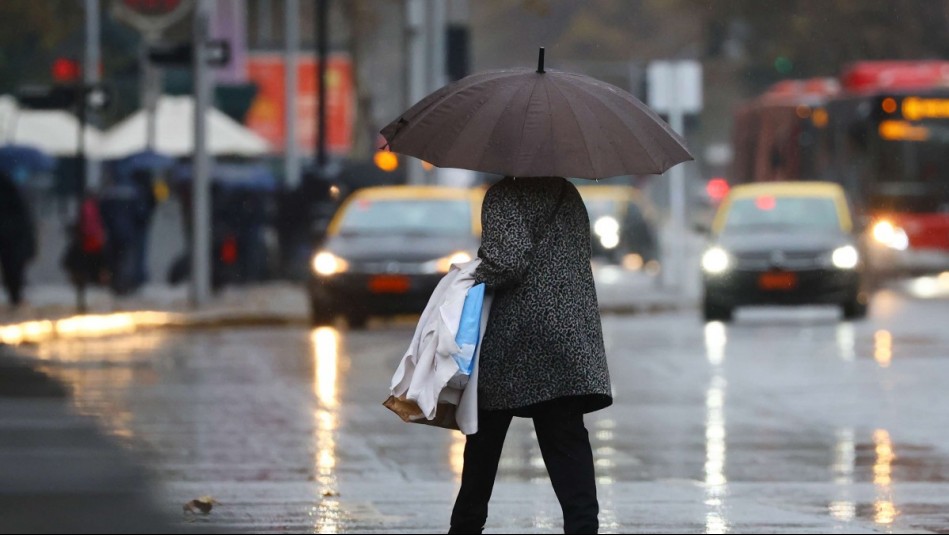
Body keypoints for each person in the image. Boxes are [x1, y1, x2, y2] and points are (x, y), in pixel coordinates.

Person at [449, 176, 612, 534]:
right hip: (567, 336)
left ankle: (465, 528)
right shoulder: (567, 193)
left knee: (483, 443)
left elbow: (507, 261)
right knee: (567, 444)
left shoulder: (504, 195)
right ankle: (583, 527)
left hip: (516, 337)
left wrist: (467, 276)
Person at [0, 171, 37, 307]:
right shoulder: (12, 191)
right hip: (13, 237)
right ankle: (15, 296)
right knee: (14, 268)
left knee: (12, 268)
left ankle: (15, 296)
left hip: (11, 237)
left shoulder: (8, 191)